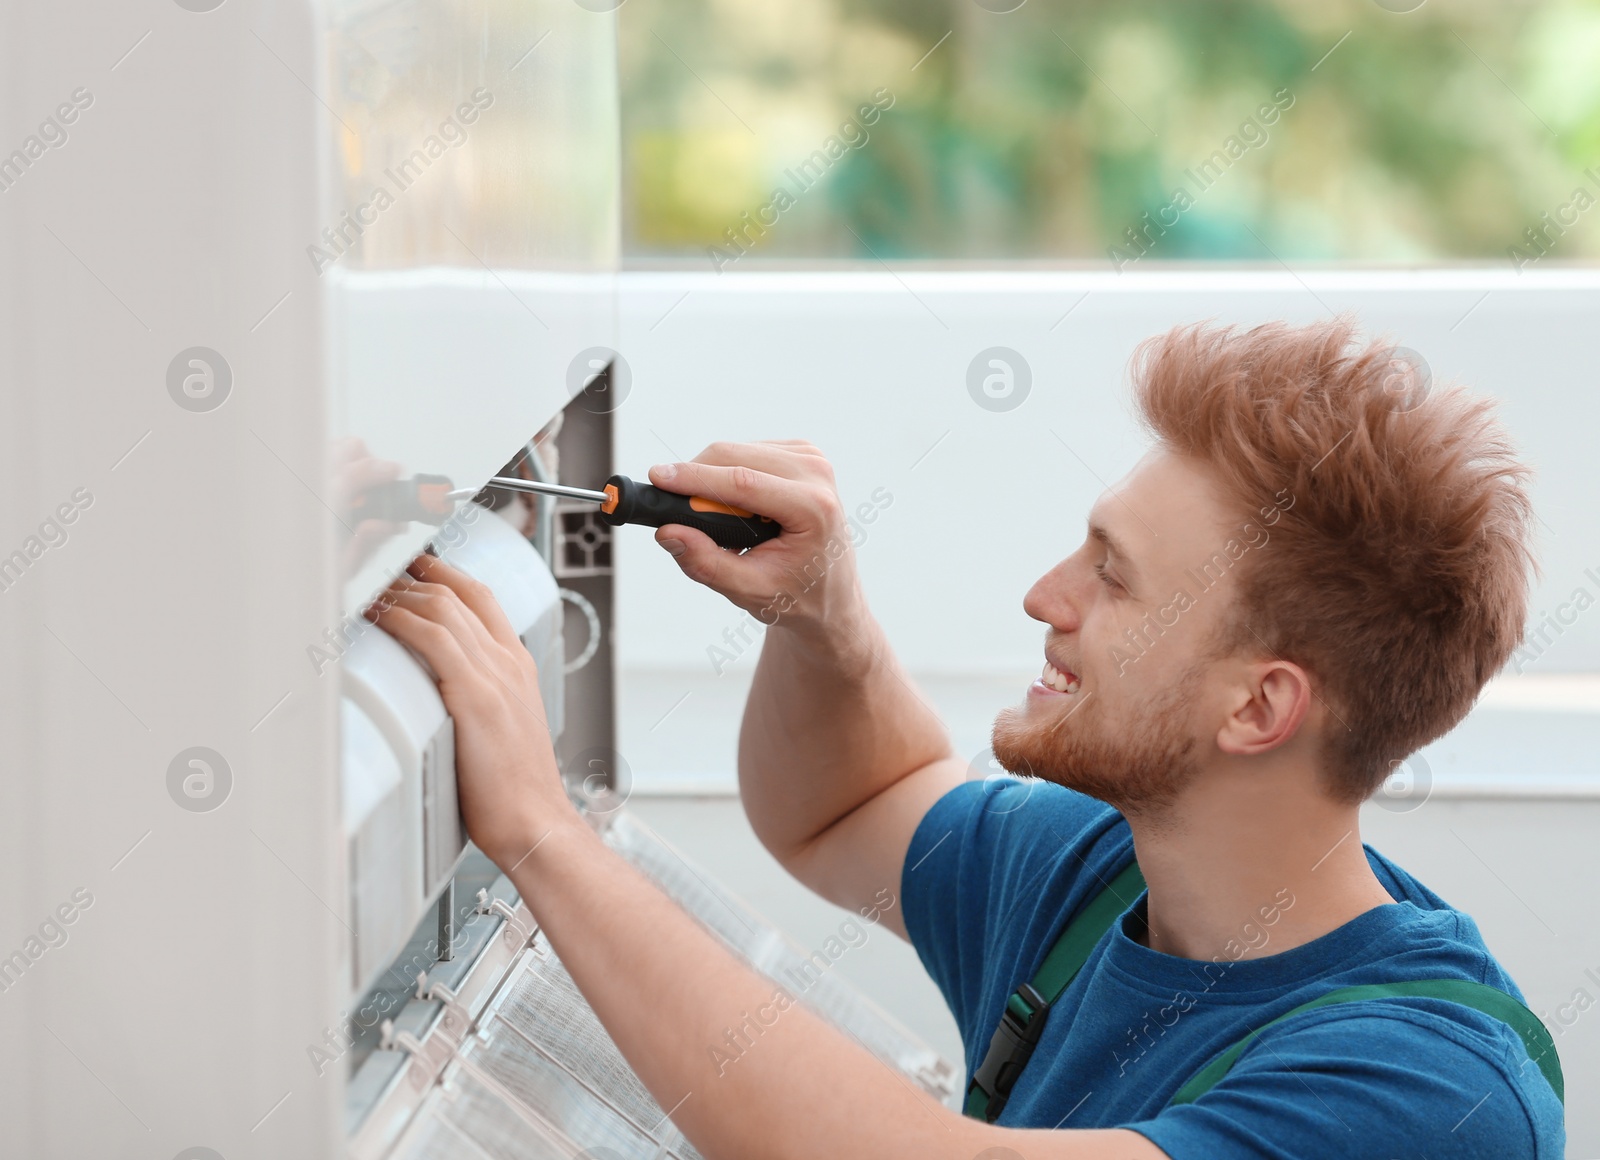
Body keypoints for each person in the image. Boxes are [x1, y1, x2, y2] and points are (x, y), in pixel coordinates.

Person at [370, 317, 1564, 1159]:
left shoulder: (1429, 1092)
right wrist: (823, 616)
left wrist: (536, 827)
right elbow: (851, 799)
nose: (1046, 593)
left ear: (1256, 708)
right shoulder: (1104, 879)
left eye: (1113, 575)